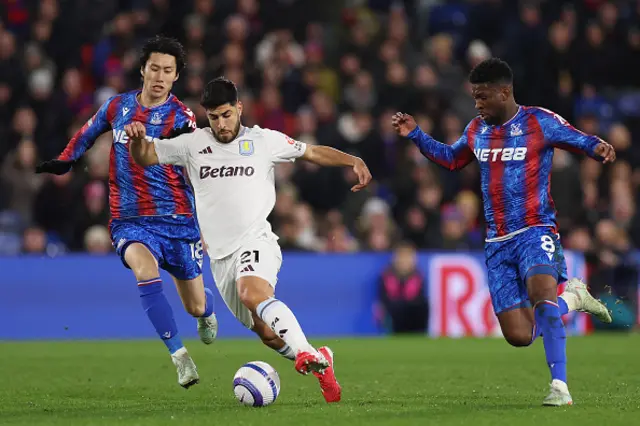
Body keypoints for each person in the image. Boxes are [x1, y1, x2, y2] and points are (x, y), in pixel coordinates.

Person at [124, 77, 372, 403]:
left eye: (226, 115)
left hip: (256, 240)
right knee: (267, 333)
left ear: (239, 108)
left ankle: (303, 354)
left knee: (252, 290)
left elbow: (311, 152)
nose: (221, 124)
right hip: (220, 258)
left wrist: (352, 160)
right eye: (213, 117)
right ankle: (318, 359)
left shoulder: (263, 141)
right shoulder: (192, 144)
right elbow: (147, 157)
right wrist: (137, 141)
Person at [392, 58, 615, 406]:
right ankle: (573, 298)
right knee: (519, 335)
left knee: (542, 292)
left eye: (482, 97)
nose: (477, 104)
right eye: (474, 98)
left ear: (504, 92)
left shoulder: (538, 121)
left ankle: (560, 386)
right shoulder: (476, 130)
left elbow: (576, 138)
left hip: (535, 228)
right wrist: (417, 135)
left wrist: (597, 147)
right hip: (496, 242)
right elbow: (452, 159)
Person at [35, 36, 218, 389]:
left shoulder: (182, 116)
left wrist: (144, 141)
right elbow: (87, 133)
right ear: (142, 69)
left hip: (177, 219)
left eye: (168, 70)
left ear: (176, 76)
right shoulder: (117, 107)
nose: (160, 76)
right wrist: (65, 160)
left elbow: (188, 154)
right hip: (129, 219)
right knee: (145, 272)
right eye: (154, 68)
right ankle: (180, 357)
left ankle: (206, 311)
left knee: (194, 305)